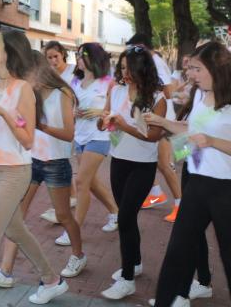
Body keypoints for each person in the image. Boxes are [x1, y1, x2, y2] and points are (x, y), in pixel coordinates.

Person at [0, 30, 68, 307]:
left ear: (9, 52)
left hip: (15, 172)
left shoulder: (22, 90)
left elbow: (28, 139)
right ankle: (52, 279)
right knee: (15, 230)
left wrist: (6, 114)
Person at [145, 42, 231, 307]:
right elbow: (190, 128)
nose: (191, 74)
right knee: (176, 252)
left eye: (197, 68)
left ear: (217, 67)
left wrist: (213, 141)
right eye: (191, 68)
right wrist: (163, 122)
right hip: (197, 186)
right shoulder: (198, 95)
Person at [0, 51, 86, 290]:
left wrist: (38, 125)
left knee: (63, 215)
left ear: (38, 70)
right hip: (30, 161)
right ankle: (5, 271)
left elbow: (69, 134)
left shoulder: (62, 93)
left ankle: (78, 255)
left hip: (56, 162)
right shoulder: (27, 94)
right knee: (15, 216)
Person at [98, 45, 167, 300]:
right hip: (118, 162)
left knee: (125, 218)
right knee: (128, 219)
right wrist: (103, 120)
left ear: (143, 69)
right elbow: (104, 118)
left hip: (142, 166)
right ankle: (135, 263)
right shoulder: (115, 90)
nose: (125, 73)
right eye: (123, 68)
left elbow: (154, 136)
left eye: (130, 69)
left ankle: (127, 279)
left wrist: (124, 125)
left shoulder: (158, 98)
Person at [55, 42, 119, 247]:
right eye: (78, 55)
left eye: (82, 55)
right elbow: (72, 107)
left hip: (99, 137)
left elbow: (118, 111)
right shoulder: (75, 81)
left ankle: (74, 229)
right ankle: (116, 212)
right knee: (90, 182)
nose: (79, 59)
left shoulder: (109, 82)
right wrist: (74, 113)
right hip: (80, 136)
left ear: (94, 58)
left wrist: (100, 113)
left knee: (81, 182)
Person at [127, 34, 182, 223]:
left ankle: (180, 204)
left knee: (164, 164)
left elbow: (167, 91)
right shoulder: (154, 60)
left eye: (133, 49)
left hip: (162, 120)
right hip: (156, 119)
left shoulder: (155, 62)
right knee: (155, 162)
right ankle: (156, 193)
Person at [39, 40, 78, 224]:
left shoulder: (73, 72)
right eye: (49, 57)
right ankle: (70, 199)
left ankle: (66, 205)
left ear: (63, 54)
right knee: (64, 161)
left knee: (84, 175)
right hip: (56, 125)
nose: (53, 61)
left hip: (76, 124)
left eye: (56, 56)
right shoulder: (48, 75)